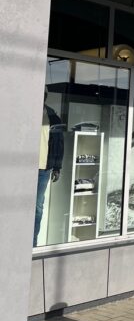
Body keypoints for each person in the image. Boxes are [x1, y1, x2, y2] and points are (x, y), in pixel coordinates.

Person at [34, 87, 64, 247]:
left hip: (44, 169)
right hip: (22, 168)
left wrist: (57, 167)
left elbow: (59, 143)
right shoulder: (26, 112)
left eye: (43, 95)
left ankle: (32, 242)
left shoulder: (53, 117)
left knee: (37, 207)